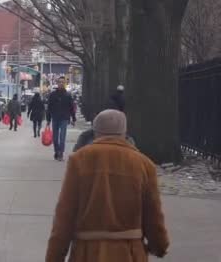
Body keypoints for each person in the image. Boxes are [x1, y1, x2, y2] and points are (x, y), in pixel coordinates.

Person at [45, 110, 169, 262]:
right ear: (124, 133)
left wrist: (55, 256)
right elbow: (153, 214)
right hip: (129, 253)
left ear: (95, 132)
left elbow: (65, 215)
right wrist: (159, 246)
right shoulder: (144, 164)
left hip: (87, 253)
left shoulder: (79, 160)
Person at [46, 76, 76, 161]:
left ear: (65, 84)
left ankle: (61, 153)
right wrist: (48, 119)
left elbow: (71, 108)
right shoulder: (52, 95)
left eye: (63, 82)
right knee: (55, 138)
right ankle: (56, 151)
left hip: (64, 118)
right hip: (55, 118)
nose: (61, 84)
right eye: (60, 82)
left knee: (62, 137)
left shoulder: (68, 95)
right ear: (57, 83)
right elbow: (49, 107)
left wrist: (73, 119)